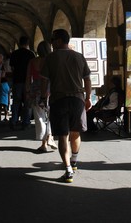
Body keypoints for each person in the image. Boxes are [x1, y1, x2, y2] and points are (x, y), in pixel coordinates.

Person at [40, 29, 92, 183]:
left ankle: (68, 170)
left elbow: (44, 81)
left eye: (53, 39)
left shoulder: (51, 58)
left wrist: (43, 97)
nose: (51, 42)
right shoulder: (79, 56)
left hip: (59, 99)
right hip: (77, 99)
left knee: (63, 135)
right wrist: (88, 97)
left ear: (60, 40)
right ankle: (74, 161)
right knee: (76, 131)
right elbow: (87, 79)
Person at [26, 41, 58, 152]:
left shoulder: (32, 61)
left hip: (35, 90)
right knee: (51, 115)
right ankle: (49, 137)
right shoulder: (51, 61)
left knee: (39, 116)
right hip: (50, 89)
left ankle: (44, 143)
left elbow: (28, 77)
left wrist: (27, 91)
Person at [9, 36, 35, 130]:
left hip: (17, 80)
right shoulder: (30, 54)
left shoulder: (14, 54)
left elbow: (12, 67)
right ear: (27, 43)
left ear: (19, 43)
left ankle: (14, 120)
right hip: (28, 81)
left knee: (16, 102)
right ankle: (26, 122)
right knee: (27, 103)